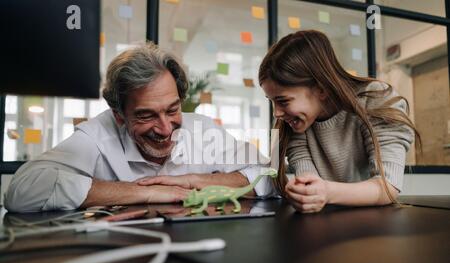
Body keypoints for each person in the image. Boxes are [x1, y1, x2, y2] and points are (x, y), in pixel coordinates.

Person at [5, 43, 273, 212]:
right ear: (119, 115)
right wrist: (144, 192)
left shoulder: (202, 129)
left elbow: (269, 176)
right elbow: (23, 190)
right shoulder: (98, 134)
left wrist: (196, 181)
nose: (166, 128)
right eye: (146, 116)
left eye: (172, 109)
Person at [258, 30, 420, 213]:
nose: (277, 113)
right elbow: (310, 187)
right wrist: (305, 193)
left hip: (376, 227)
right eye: (271, 101)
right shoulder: (299, 124)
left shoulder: (377, 101)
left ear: (321, 89)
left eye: (283, 101)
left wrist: (326, 192)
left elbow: (387, 187)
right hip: (326, 225)